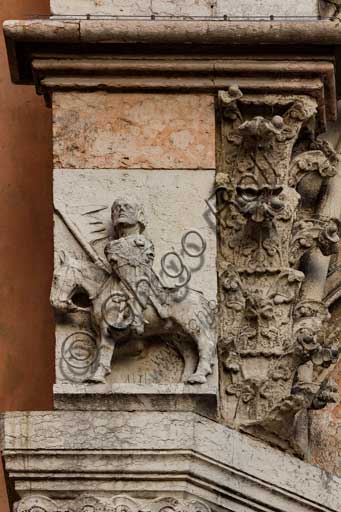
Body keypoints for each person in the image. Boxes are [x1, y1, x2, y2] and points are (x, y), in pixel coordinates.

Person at [105, 197, 167, 335]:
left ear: (139, 215)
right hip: (119, 281)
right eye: (117, 208)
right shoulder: (112, 246)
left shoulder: (144, 242)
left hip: (139, 278)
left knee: (139, 283)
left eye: (127, 206)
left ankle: (137, 317)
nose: (121, 209)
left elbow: (145, 262)